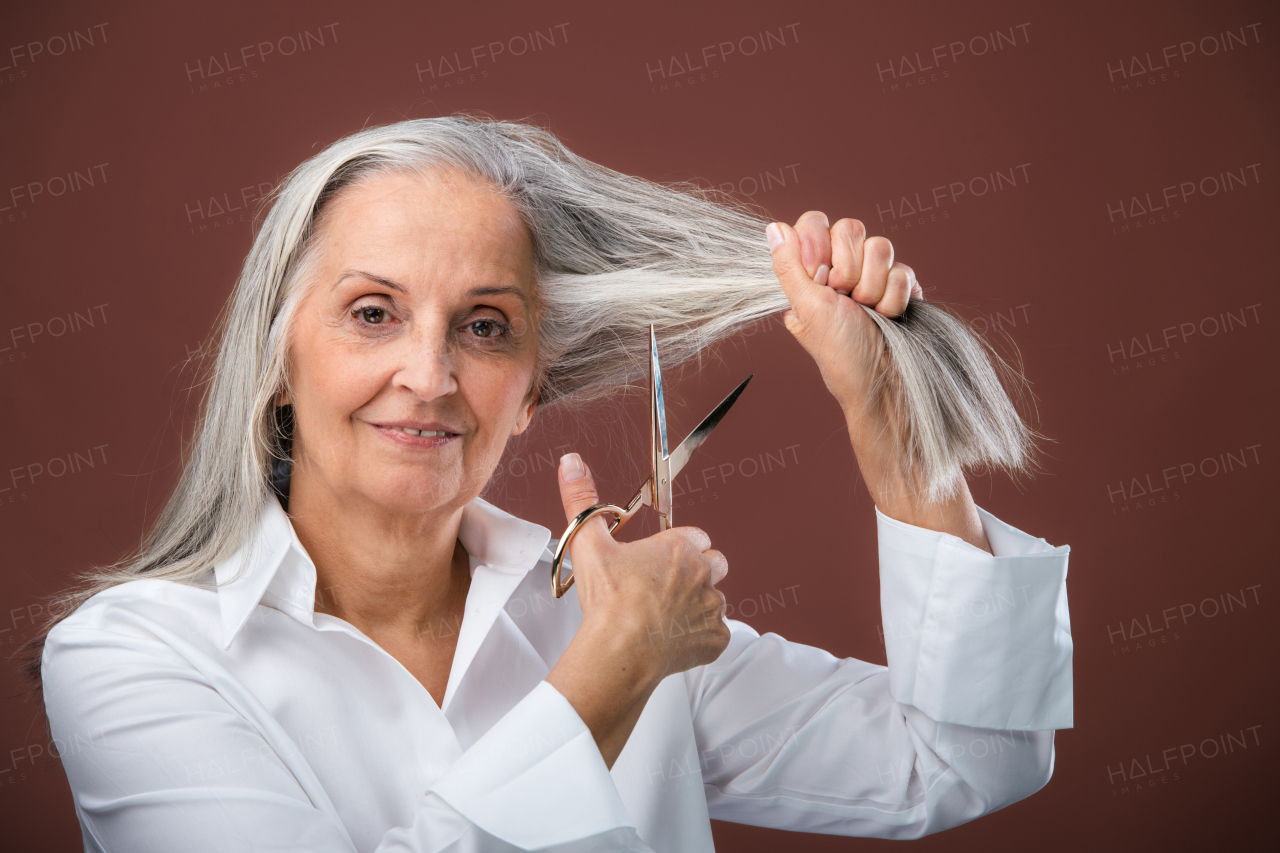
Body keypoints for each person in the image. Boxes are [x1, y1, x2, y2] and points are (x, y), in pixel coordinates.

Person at [34, 115, 1071, 852]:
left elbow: (963, 760)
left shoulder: (612, 613)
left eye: (485, 327)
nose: (430, 375)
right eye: (371, 312)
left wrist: (895, 436)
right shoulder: (133, 657)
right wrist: (607, 679)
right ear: (276, 361)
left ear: (533, 389)